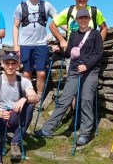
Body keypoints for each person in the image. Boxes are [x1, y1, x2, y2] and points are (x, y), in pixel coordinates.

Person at [35, 8, 103, 145]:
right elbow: (68, 54)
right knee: (64, 99)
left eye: (85, 18)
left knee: (86, 100)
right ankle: (48, 129)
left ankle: (85, 133)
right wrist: (59, 51)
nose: (83, 20)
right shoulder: (73, 35)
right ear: (76, 20)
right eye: (80, 18)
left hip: (90, 72)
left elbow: (98, 53)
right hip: (74, 71)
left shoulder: (95, 34)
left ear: (89, 19)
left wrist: (87, 65)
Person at [0, 51, 40, 164]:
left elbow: (35, 97)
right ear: (2, 64)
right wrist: (0, 113)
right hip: (1, 118)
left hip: (16, 116)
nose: (10, 66)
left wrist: (24, 99)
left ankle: (16, 143)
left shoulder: (24, 81)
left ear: (18, 65)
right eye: (7, 63)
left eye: (13, 63)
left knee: (29, 106)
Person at [12, 0, 58, 101]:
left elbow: (58, 19)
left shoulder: (46, 5)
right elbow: (16, 26)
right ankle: (28, 96)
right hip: (25, 45)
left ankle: (39, 97)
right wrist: (16, 45)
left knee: (41, 73)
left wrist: (69, 28)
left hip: (41, 44)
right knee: (26, 73)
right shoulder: (20, 7)